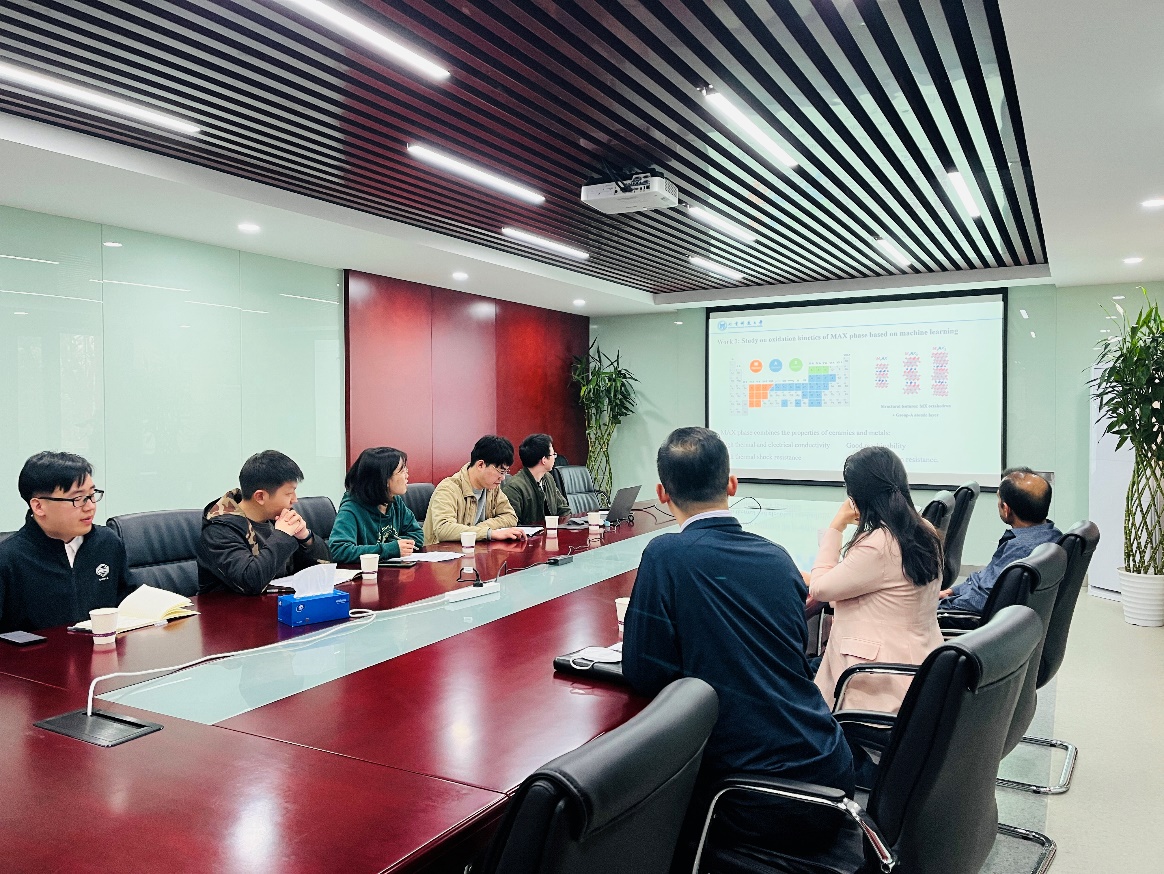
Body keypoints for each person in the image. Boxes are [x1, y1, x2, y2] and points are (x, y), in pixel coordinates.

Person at [622, 427, 853, 856]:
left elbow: (645, 673)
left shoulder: (664, 555)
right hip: (830, 767)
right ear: (732, 484)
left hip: (753, 796)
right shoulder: (777, 557)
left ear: (662, 493)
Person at [809, 446, 945, 714]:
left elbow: (819, 589)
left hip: (876, 684)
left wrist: (836, 526)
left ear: (857, 497)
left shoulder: (878, 545)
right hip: (916, 668)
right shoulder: (924, 530)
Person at [0, 452, 131, 632]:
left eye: (92, 495)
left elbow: (128, 605)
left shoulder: (107, 543)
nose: (90, 506)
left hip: (104, 648)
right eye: (78, 499)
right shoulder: (8, 559)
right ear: (38, 506)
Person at [197, 450, 330, 595]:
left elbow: (323, 566)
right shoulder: (219, 530)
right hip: (233, 608)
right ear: (260, 496)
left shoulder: (277, 518)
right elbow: (250, 581)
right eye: (288, 493)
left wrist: (306, 538)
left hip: (281, 603)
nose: (295, 500)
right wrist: (282, 536)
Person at [939, 467, 1061, 614]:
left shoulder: (1019, 550)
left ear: (1006, 509)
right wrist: (954, 591)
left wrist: (938, 606)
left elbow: (980, 602)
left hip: (970, 619)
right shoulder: (1053, 535)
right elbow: (988, 579)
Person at [328, 447, 425, 563]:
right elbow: (338, 551)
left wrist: (397, 546)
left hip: (390, 569)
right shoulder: (351, 509)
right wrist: (389, 549)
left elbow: (417, 535)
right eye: (402, 471)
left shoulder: (394, 501)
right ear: (384, 479)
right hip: (363, 572)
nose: (407, 476)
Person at [422, 435, 524, 544]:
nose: (503, 478)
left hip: (475, 550)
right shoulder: (448, 488)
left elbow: (510, 516)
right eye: (501, 471)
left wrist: (483, 528)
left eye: (506, 472)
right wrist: (488, 533)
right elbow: (443, 529)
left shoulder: (492, 488)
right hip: (442, 552)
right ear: (480, 465)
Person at [501, 433, 571, 526]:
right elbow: (513, 524)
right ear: (544, 460)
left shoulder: (548, 478)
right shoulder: (514, 488)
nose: (555, 458)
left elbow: (563, 510)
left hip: (552, 532)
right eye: (553, 454)